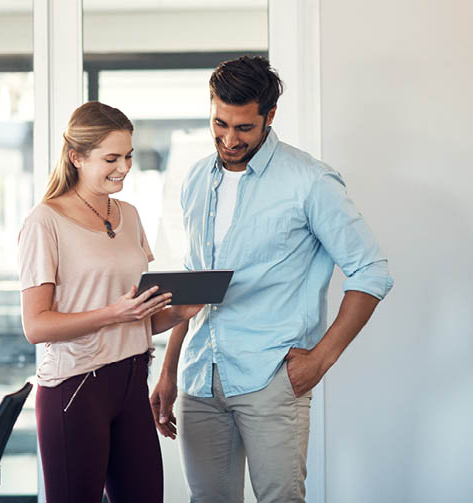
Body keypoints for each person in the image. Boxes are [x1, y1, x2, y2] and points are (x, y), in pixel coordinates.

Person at [149, 56, 394, 503]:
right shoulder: (197, 179)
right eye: (220, 123)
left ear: (270, 117)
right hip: (200, 376)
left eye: (243, 127)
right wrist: (167, 371)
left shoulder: (310, 181)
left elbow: (371, 271)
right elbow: (193, 280)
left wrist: (320, 360)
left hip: (271, 378)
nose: (229, 138)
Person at [18, 101, 201, 503]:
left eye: (129, 156)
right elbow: (37, 327)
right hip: (76, 388)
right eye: (111, 158)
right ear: (76, 157)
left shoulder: (130, 216)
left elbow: (137, 320)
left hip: (132, 381)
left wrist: (179, 313)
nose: (124, 167)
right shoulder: (44, 222)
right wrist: (112, 313)